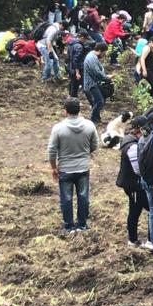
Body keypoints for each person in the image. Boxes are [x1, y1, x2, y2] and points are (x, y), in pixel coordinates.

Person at [47, 98, 99, 233]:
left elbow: (51, 151)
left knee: (66, 198)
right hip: (83, 167)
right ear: (79, 110)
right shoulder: (90, 125)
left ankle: (69, 226)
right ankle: (82, 224)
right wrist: (84, 154)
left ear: (65, 111)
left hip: (65, 168)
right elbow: (95, 145)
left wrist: (53, 167)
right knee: (83, 197)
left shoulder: (58, 128)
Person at [116, 116, 150, 247]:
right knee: (143, 210)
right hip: (134, 184)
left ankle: (133, 239)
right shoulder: (132, 146)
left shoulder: (129, 141)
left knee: (135, 210)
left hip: (133, 183)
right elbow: (138, 169)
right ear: (139, 129)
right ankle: (135, 239)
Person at [82, 42, 112, 125]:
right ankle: (93, 119)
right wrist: (107, 77)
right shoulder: (91, 58)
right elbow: (97, 72)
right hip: (91, 84)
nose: (104, 55)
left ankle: (97, 119)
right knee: (99, 101)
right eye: (104, 53)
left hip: (94, 83)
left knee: (97, 101)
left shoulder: (94, 57)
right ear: (99, 50)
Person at [65, 31, 87, 98]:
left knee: (72, 82)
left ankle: (70, 96)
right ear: (82, 38)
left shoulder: (71, 42)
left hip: (70, 66)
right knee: (76, 84)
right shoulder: (79, 46)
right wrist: (77, 72)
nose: (85, 41)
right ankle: (73, 99)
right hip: (76, 68)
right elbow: (76, 60)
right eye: (85, 39)